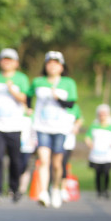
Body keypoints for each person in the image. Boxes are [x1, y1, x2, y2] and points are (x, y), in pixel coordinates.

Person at [27, 51, 78, 209]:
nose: (52, 66)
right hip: (42, 126)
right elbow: (28, 95)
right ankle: (43, 192)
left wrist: (58, 98)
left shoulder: (68, 83)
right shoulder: (38, 81)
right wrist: (28, 107)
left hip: (60, 128)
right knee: (43, 160)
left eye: (56, 63)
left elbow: (71, 104)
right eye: (49, 63)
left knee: (57, 163)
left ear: (62, 67)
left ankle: (55, 189)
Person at [0, 48, 30, 203]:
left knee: (15, 159)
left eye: (10, 60)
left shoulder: (21, 79)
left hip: (14, 125)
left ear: (16, 63)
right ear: (0, 61)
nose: (7, 62)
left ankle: (14, 188)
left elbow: (26, 99)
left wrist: (12, 90)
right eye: (4, 59)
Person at [85, 104, 111, 199]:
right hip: (97, 153)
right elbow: (88, 137)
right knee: (98, 173)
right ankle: (99, 191)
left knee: (106, 172)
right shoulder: (94, 125)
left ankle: (106, 189)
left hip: (107, 153)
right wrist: (89, 143)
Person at [60, 103, 83, 202]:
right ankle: (53, 186)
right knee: (54, 164)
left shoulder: (74, 107)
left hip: (68, 141)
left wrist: (76, 126)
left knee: (64, 164)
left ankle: (63, 189)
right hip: (55, 139)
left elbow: (80, 119)